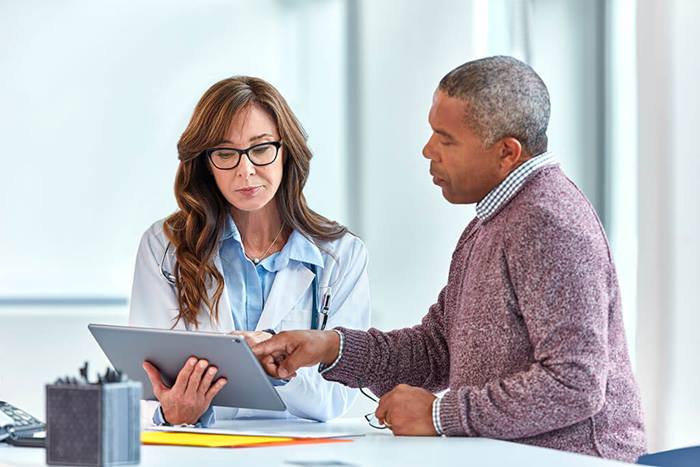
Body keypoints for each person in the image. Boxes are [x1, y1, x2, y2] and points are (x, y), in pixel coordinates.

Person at [253, 56, 646, 462]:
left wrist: (440, 414)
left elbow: (574, 384)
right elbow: (436, 351)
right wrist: (330, 347)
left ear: (507, 153)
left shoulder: (550, 223)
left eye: (446, 139)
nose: (427, 150)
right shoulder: (491, 222)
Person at [128, 76, 371, 427]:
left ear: (286, 151)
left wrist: (276, 367)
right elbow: (149, 382)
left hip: (297, 450)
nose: (246, 170)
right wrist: (171, 412)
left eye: (260, 149)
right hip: (199, 448)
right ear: (205, 163)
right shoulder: (164, 246)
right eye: (225, 153)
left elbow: (336, 397)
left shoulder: (341, 254)